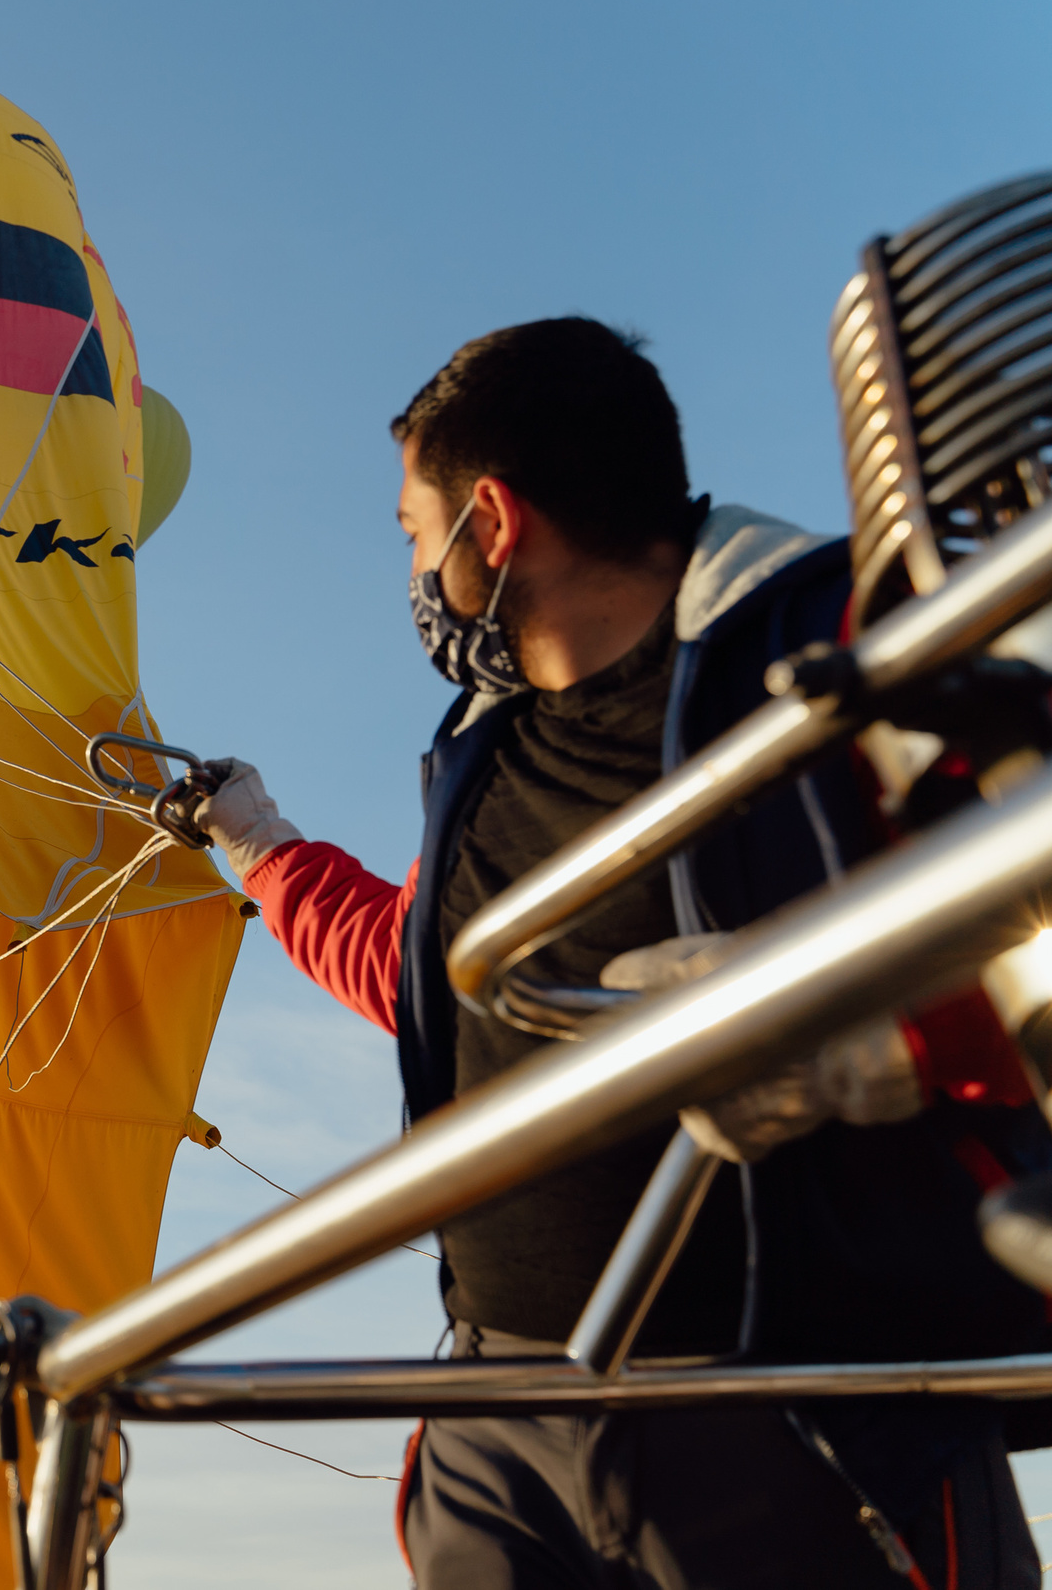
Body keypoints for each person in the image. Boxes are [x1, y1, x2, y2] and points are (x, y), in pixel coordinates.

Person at [191, 318, 1052, 1588]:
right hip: (503, 1425)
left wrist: (859, 1047)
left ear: (491, 523)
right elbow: (425, 979)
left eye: (413, 533)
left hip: (795, 1411)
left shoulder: (856, 647)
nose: (417, 572)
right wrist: (259, 847)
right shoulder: (480, 750)